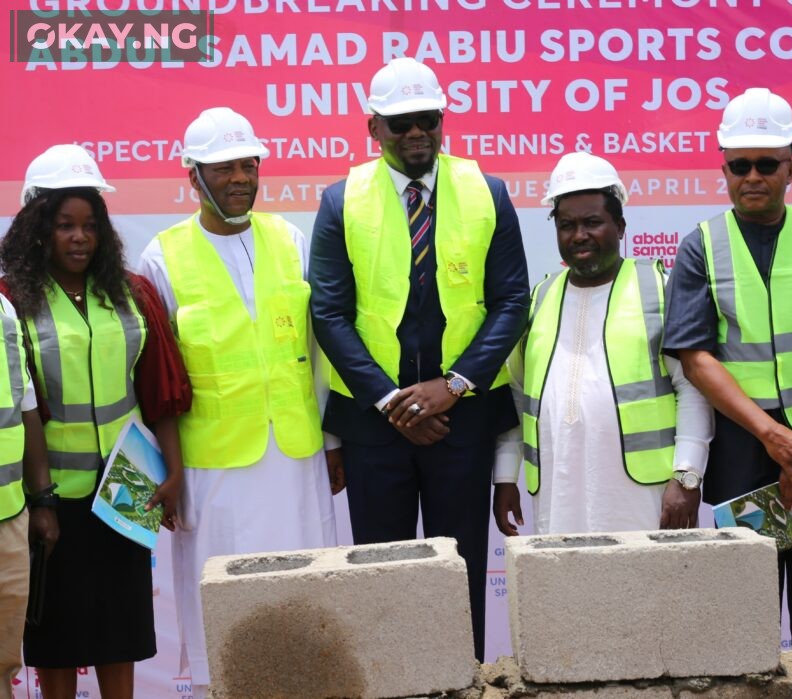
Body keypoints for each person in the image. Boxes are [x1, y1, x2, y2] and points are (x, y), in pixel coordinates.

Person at [310, 57, 530, 661]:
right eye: (400, 123)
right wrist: (391, 401)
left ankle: (461, 678)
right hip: (374, 426)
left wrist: (453, 385)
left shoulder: (487, 192)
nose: (415, 134)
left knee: (457, 571)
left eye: (427, 120)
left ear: (442, 119)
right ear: (372, 127)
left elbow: (512, 301)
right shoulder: (340, 200)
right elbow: (328, 314)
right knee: (382, 574)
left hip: (461, 420)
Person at [139, 108, 338, 699]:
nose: (240, 178)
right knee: (221, 609)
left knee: (303, 597)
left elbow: (317, 352)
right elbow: (158, 379)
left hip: (296, 456)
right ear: (193, 177)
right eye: (223, 167)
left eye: (249, 164)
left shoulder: (289, 238)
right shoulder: (163, 255)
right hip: (212, 470)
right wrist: (169, 471)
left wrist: (332, 441)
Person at [662, 88, 792, 650]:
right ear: (722, 167)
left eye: (767, 164)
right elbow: (696, 357)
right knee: (743, 615)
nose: (753, 176)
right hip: (743, 452)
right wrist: (775, 438)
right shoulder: (701, 246)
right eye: (739, 165)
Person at [1, 144, 190, 699]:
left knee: (120, 635)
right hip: (53, 498)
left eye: (89, 225)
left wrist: (173, 475)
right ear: (39, 228)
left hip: (125, 492)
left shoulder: (132, 294)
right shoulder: (13, 302)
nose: (79, 237)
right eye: (64, 225)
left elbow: (161, 392)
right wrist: (41, 503)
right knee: (55, 638)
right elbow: (22, 405)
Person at [491, 152, 713, 536]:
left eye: (593, 222)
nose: (579, 235)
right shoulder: (540, 297)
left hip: (645, 497)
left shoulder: (658, 289)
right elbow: (516, 395)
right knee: (565, 590)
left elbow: (693, 389)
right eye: (567, 225)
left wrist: (687, 474)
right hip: (558, 497)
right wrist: (505, 475)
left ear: (620, 225)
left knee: (646, 594)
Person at [0, 263, 54, 699]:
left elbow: (26, 408)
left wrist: (43, 500)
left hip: (9, 520)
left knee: (4, 663)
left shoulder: (4, 312)